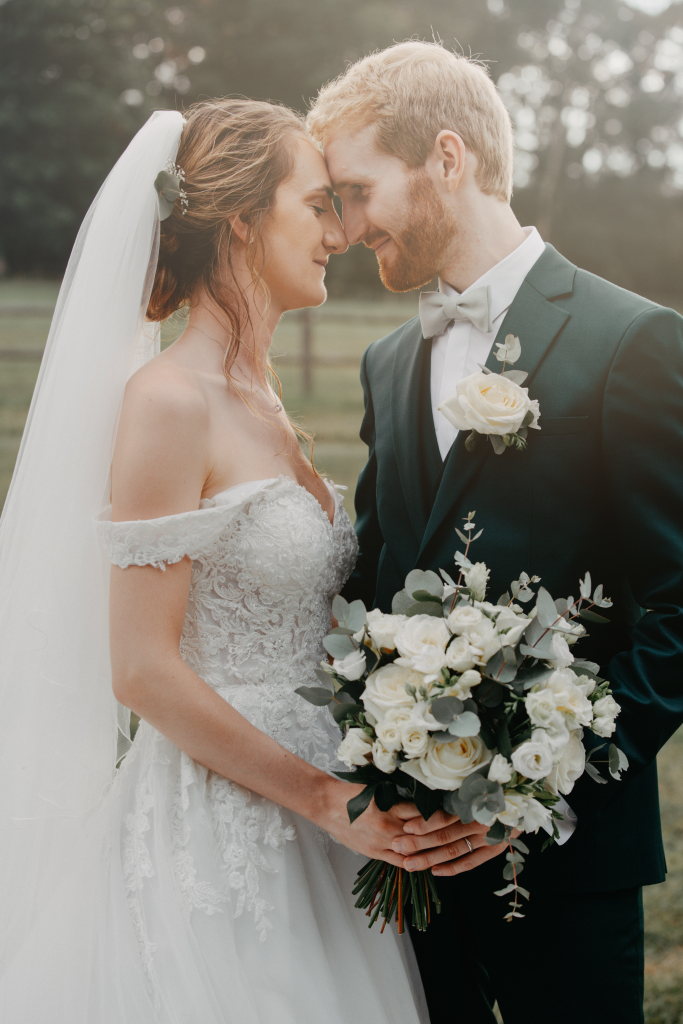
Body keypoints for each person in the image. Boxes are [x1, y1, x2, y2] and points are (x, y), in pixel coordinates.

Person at [0, 99, 432, 1023]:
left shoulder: (264, 398)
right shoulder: (168, 399)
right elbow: (143, 670)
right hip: (225, 821)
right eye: (316, 206)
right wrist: (323, 798)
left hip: (327, 809)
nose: (339, 232)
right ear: (241, 221)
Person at [307, 40, 683, 1024]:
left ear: (445, 156)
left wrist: (535, 786)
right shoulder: (388, 364)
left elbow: (678, 608)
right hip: (413, 864)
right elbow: (381, 582)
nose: (343, 228)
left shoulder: (627, 342)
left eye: (354, 190)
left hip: (566, 859)